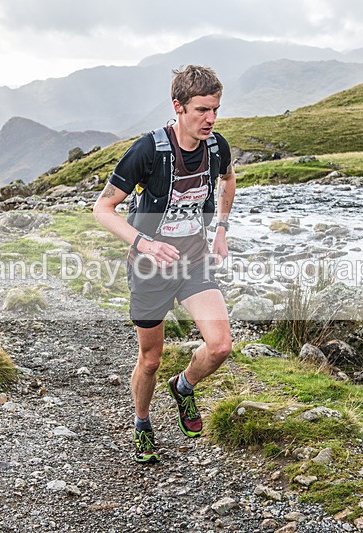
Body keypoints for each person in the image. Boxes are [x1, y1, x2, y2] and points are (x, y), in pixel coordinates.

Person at [93, 65, 236, 464]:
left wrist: (221, 229)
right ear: (178, 106)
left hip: (193, 262)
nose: (210, 119)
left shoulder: (216, 146)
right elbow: (103, 209)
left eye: (216, 110)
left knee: (221, 346)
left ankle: (185, 387)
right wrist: (145, 243)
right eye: (202, 110)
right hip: (149, 268)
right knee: (150, 359)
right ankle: (142, 423)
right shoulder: (148, 151)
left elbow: (228, 180)